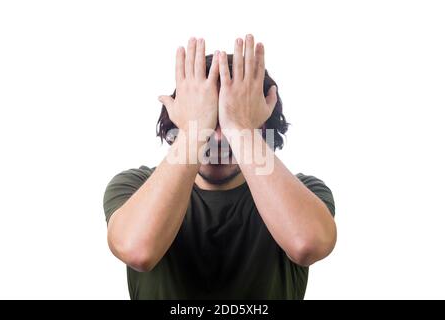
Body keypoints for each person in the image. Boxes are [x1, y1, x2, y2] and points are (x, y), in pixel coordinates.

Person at [103, 34, 337, 299]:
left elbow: (308, 244)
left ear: (263, 129)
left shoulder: (306, 191)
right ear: (177, 122)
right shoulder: (134, 186)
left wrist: (240, 127)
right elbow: (138, 250)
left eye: (226, 120)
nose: (217, 138)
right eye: (208, 119)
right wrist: (194, 129)